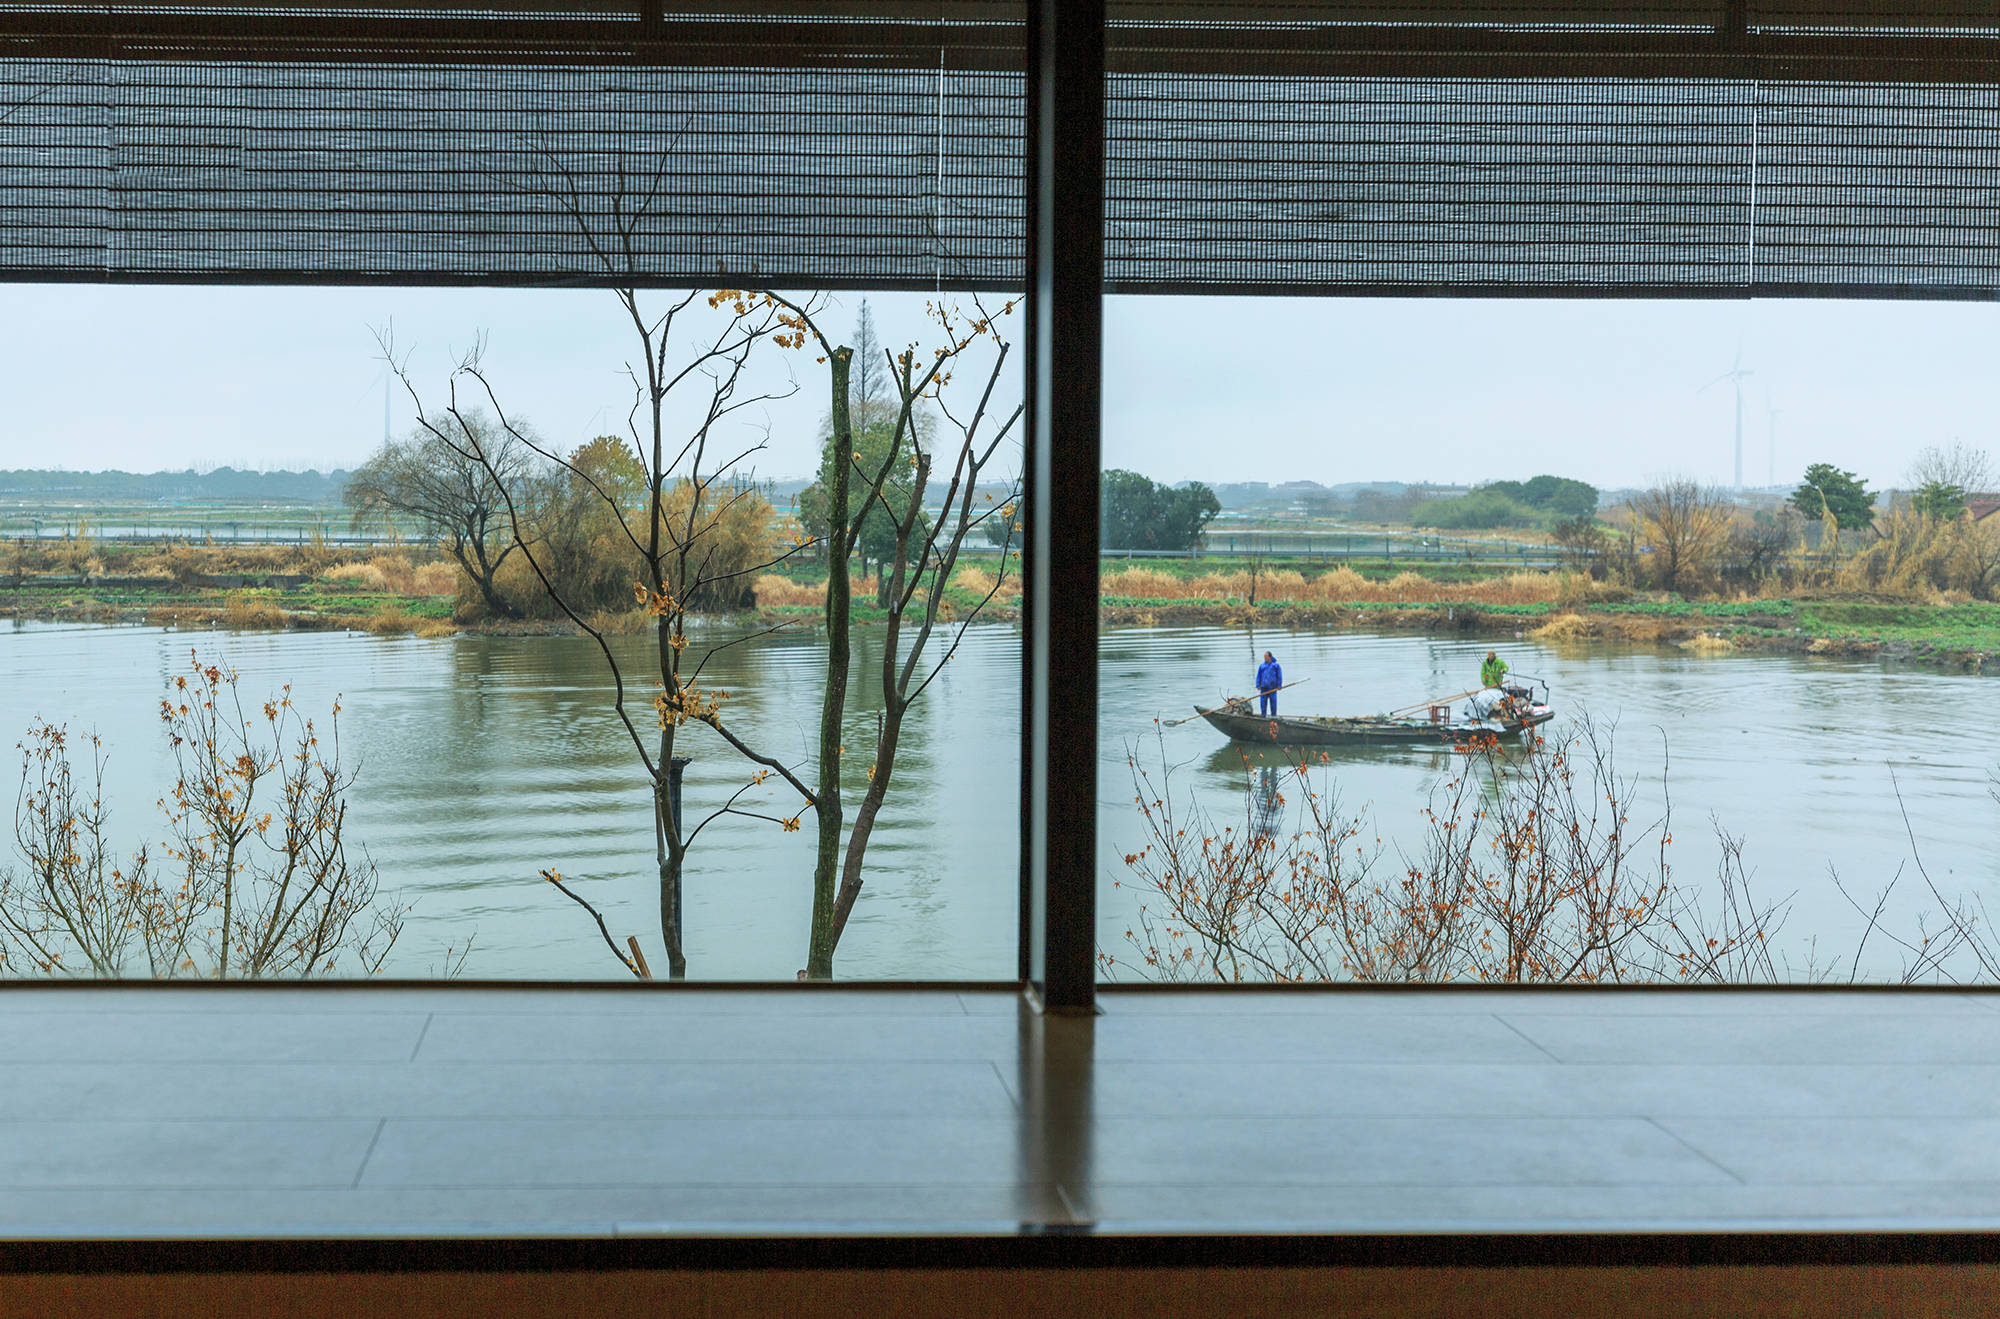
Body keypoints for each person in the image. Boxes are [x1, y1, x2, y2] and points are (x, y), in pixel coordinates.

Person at [1255, 651, 1282, 716]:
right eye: (1264, 657)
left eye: (1266, 657)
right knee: (1263, 703)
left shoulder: (1275, 665)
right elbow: (1259, 675)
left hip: (1272, 688)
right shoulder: (1262, 666)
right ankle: (1263, 715)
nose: (1264, 658)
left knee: (1273, 703)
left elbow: (1279, 675)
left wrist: (1279, 685)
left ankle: (1273, 716)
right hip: (1264, 688)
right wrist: (1258, 685)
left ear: (1270, 657)